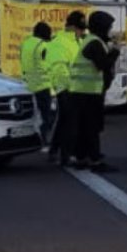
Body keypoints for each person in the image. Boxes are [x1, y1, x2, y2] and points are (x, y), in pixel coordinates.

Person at [64, 11, 120, 173]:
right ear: (102, 27)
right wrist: (115, 52)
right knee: (92, 127)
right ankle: (95, 160)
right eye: (109, 27)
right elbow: (102, 65)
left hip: (81, 91)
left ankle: (82, 157)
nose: (110, 30)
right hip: (88, 93)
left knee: (84, 127)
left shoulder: (92, 41)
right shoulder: (95, 43)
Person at [43, 11, 87, 167]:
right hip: (66, 88)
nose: (83, 32)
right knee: (70, 123)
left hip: (76, 87)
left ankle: (54, 150)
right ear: (73, 27)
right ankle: (66, 156)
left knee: (64, 121)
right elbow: (58, 68)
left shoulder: (77, 41)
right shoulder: (59, 42)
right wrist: (66, 87)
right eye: (81, 28)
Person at [20, 22, 55, 150]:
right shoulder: (43, 46)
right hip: (43, 85)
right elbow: (48, 64)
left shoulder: (26, 43)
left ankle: (30, 138)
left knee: (32, 115)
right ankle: (44, 140)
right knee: (48, 115)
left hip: (28, 84)